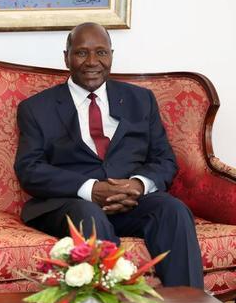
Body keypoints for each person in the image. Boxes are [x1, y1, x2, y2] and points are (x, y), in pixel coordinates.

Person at [14, 22, 203, 288]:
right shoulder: (36, 108)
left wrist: (138, 185)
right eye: (81, 53)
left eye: (101, 52)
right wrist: (91, 189)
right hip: (71, 203)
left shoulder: (141, 100)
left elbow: (164, 159)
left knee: (173, 210)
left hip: (130, 201)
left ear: (111, 55)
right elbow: (29, 169)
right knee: (89, 215)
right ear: (66, 57)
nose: (92, 62)